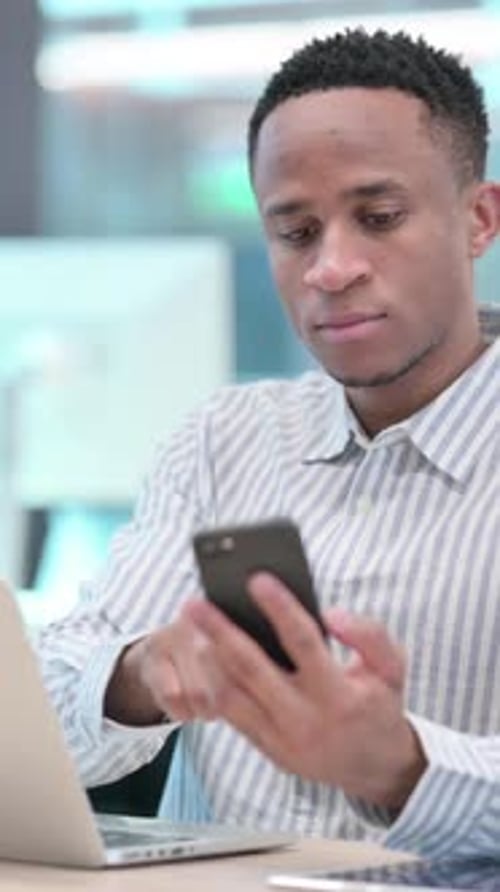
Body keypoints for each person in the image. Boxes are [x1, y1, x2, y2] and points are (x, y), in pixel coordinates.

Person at [38, 28, 500, 860]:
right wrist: (141, 677)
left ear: (479, 219)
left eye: (379, 217)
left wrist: (404, 767)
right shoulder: (223, 439)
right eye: (295, 233)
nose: (331, 267)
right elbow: (39, 722)